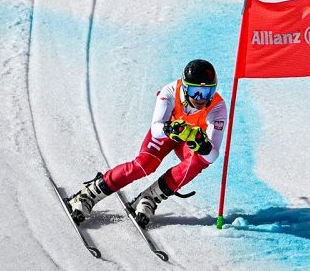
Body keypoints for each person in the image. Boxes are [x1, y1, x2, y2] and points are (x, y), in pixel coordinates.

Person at [66, 59, 228, 227]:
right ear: (185, 88)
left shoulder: (217, 107)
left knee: (198, 161)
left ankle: (150, 197)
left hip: (188, 141)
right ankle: (89, 194)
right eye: (195, 91)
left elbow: (212, 156)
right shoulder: (171, 91)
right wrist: (170, 129)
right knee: (145, 165)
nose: (201, 99)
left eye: (207, 92)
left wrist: (203, 146)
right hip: (167, 132)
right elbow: (156, 127)